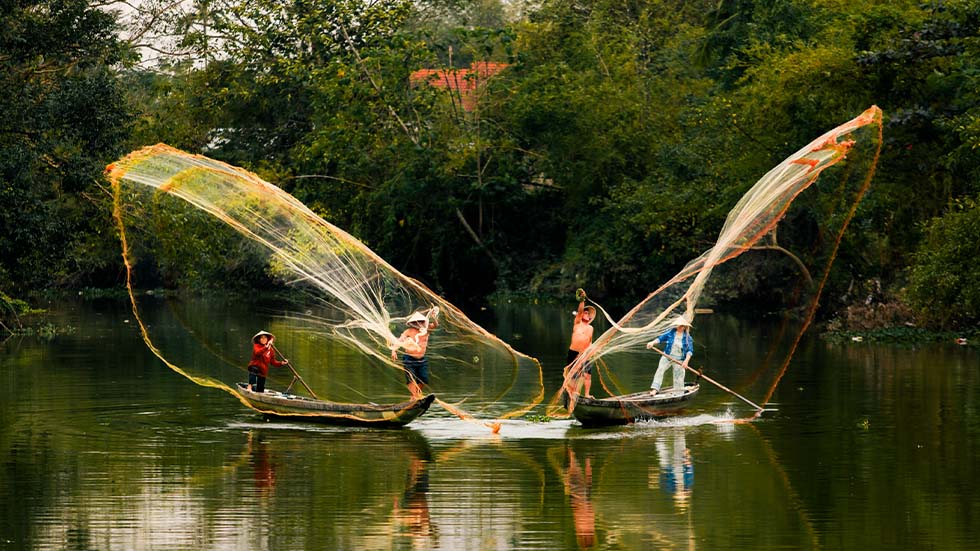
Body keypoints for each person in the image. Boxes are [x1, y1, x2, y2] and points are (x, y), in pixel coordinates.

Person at [391, 307, 439, 398]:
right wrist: (394, 351)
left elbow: (435, 325)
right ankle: (414, 396)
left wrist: (434, 317)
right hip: (409, 359)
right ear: (413, 323)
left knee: (424, 379)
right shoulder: (408, 331)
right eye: (417, 322)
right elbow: (399, 341)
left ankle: (416, 394)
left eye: (421, 321)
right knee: (411, 379)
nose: (419, 324)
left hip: (421, 359)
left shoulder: (427, 330)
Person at [645, 315, 693, 395]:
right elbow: (660, 339)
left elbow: (689, 351)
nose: (680, 327)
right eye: (679, 326)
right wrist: (652, 343)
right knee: (660, 370)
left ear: (685, 327)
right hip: (667, 356)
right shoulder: (670, 333)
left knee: (679, 376)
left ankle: (679, 392)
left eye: (682, 326)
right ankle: (655, 389)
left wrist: (686, 361)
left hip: (679, 359)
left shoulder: (688, 338)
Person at [566, 288, 596, 398]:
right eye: (585, 312)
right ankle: (573, 393)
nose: (586, 314)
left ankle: (587, 394)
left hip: (585, 354)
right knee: (574, 375)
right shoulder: (577, 323)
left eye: (588, 313)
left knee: (587, 375)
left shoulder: (591, 328)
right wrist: (582, 300)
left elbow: (589, 341)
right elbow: (579, 311)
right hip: (574, 352)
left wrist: (591, 351)